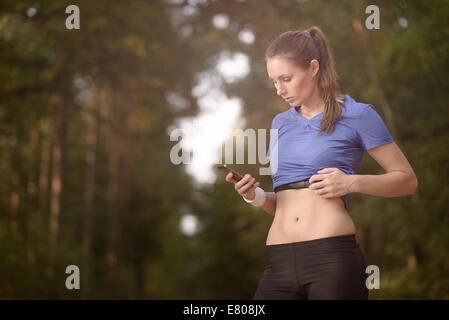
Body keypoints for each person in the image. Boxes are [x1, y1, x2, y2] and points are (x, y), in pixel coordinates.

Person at [224, 26, 418, 300]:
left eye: (286, 79)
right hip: (277, 263)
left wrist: (351, 182)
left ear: (313, 68)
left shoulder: (358, 115)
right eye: (274, 81)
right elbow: (288, 199)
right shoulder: (279, 123)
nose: (279, 90)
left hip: (332, 260)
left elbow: (407, 180)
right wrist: (253, 196)